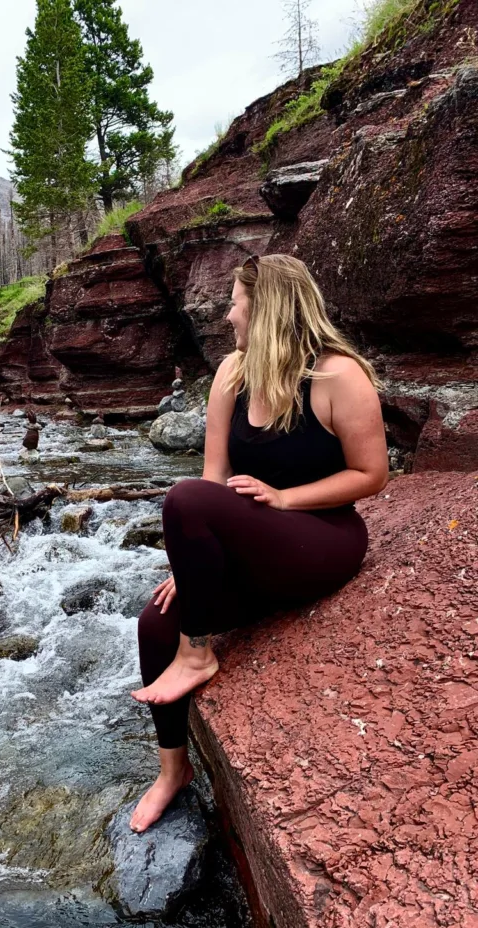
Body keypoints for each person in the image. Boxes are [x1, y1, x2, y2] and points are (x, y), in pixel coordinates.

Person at [129, 253, 389, 834]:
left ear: (264, 309)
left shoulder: (337, 375)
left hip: (322, 539)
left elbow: (371, 475)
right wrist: (194, 566)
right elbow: (215, 476)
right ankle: (174, 770)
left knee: (182, 499)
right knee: (154, 622)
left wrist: (284, 498)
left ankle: (198, 655)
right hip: (255, 544)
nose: (227, 317)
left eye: (235, 304)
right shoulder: (232, 373)